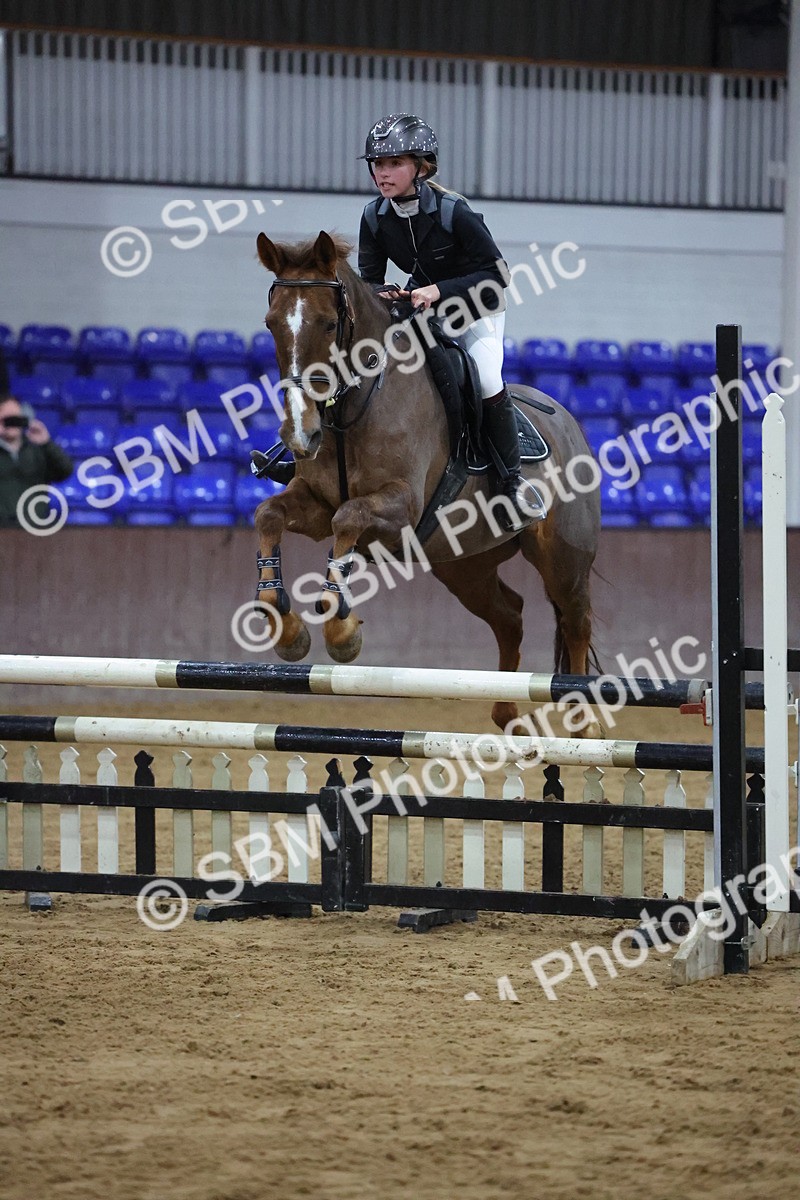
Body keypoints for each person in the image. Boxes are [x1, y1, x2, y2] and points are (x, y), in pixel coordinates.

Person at [357, 112, 533, 528]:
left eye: (394, 163)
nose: (383, 173)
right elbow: (371, 281)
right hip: (421, 312)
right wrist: (386, 295)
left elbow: (498, 277)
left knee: (488, 377)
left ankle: (513, 486)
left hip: (476, 308)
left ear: (422, 167)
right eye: (378, 164)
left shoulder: (455, 212)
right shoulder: (373, 217)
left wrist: (439, 291)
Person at [0, 393, 73, 527]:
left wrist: (46, 443)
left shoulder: (38, 449)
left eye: (15, 418)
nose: (11, 424)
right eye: (6, 419)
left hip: (34, 527)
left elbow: (65, 471)